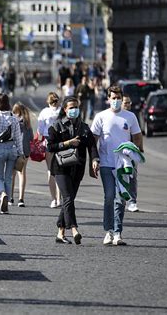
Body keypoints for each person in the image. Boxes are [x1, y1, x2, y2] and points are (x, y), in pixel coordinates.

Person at [91, 86, 143, 246]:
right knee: (109, 196)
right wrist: (94, 159)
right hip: (106, 163)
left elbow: (138, 137)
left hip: (123, 165)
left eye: (118, 97)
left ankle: (118, 233)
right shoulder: (101, 117)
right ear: (108, 99)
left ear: (122, 98)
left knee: (120, 199)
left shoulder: (130, 117)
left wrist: (135, 154)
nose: (116, 100)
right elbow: (93, 139)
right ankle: (108, 231)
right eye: (113, 98)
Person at [47, 97, 99, 245]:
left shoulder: (84, 127)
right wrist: (68, 143)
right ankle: (74, 228)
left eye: (76, 107)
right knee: (68, 199)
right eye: (71, 107)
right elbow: (50, 147)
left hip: (77, 169)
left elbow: (92, 146)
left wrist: (95, 160)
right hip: (60, 168)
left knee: (68, 201)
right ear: (65, 110)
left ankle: (60, 232)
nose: (74, 110)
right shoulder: (56, 126)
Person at [0, 93, 23, 214]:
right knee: (8, 177)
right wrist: (20, 153)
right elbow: (18, 137)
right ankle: (7, 202)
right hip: (12, 148)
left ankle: (2, 194)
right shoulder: (14, 118)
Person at [37, 92, 61, 208]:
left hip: (49, 141)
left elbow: (40, 130)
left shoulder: (44, 112)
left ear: (48, 101)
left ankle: (53, 199)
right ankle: (60, 198)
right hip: (62, 141)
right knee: (61, 169)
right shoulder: (62, 111)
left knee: (50, 171)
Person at [11, 103, 33, 207]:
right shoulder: (27, 123)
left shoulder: (13, 121)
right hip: (25, 151)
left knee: (12, 174)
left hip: (14, 150)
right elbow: (31, 138)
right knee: (22, 173)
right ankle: (21, 198)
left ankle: (10, 197)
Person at [122, 96, 139, 212]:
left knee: (132, 176)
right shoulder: (116, 116)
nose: (127, 105)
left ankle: (132, 201)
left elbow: (138, 135)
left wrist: (137, 150)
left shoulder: (132, 117)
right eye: (125, 103)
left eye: (129, 102)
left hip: (131, 152)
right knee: (120, 175)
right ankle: (121, 199)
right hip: (118, 152)